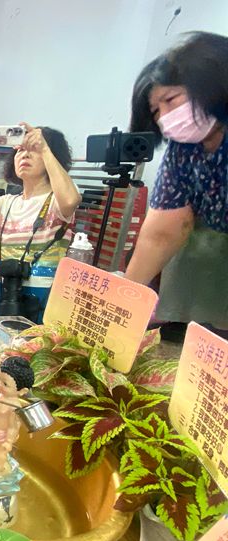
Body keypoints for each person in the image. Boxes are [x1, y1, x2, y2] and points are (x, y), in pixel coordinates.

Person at [125, 32, 228, 335]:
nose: (165, 117)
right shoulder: (183, 150)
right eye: (156, 110)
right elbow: (162, 232)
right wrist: (122, 300)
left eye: (171, 99)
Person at [0, 124, 82, 324]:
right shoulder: (8, 203)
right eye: (20, 150)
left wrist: (44, 147)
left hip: (41, 295)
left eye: (33, 150)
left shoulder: (57, 200)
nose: (25, 155)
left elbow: (70, 201)